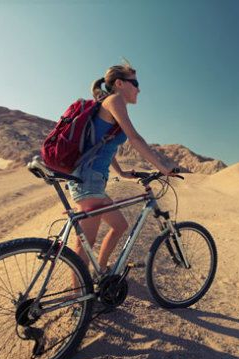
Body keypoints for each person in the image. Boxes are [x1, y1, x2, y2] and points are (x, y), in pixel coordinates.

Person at [68, 63, 176, 278]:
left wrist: (120, 172)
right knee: (84, 243)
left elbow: (104, 146)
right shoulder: (115, 100)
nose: (139, 89)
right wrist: (163, 167)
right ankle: (78, 300)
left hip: (93, 180)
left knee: (119, 225)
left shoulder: (107, 105)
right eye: (135, 83)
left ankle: (102, 271)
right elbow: (135, 138)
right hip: (88, 181)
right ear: (119, 83)